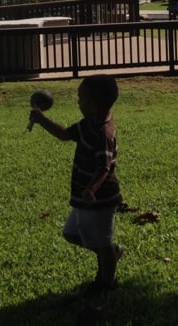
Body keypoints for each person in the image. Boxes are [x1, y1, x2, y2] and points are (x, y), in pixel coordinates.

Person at [30, 77, 124, 307]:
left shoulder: (103, 133)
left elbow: (104, 167)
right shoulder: (87, 123)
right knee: (72, 233)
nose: (77, 102)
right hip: (85, 198)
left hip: (100, 199)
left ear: (93, 104)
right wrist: (42, 120)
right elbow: (64, 135)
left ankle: (106, 283)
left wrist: (92, 189)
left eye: (80, 98)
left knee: (100, 241)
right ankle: (110, 253)